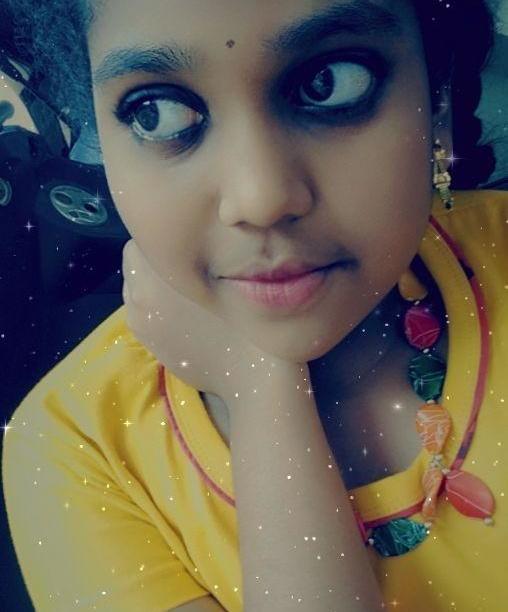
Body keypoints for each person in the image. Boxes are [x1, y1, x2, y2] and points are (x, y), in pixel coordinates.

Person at [2, 0, 507, 610]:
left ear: (438, 97)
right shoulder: (73, 448)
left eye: (329, 83)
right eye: (156, 113)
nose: (259, 198)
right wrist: (260, 387)